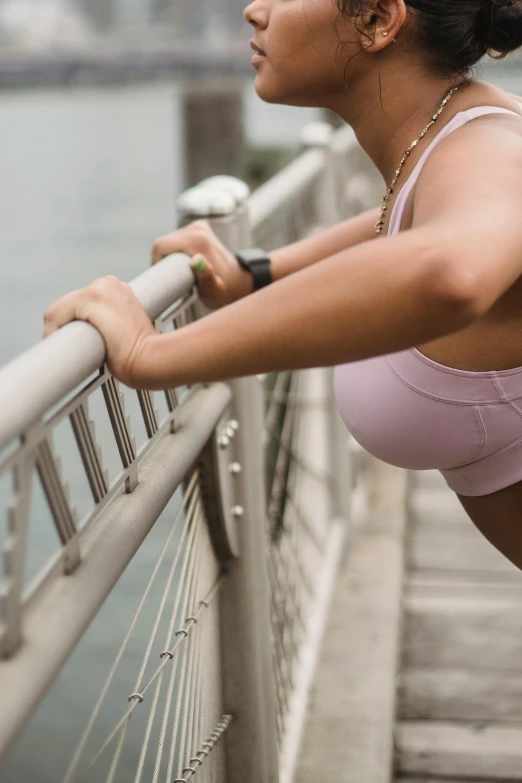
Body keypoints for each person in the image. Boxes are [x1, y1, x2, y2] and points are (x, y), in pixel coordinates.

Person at [43, 0, 522, 570]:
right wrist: (258, 275)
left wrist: (153, 354)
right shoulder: (450, 138)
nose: (253, 10)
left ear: (375, 20)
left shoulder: (491, 149)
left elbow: (448, 270)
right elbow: (398, 223)